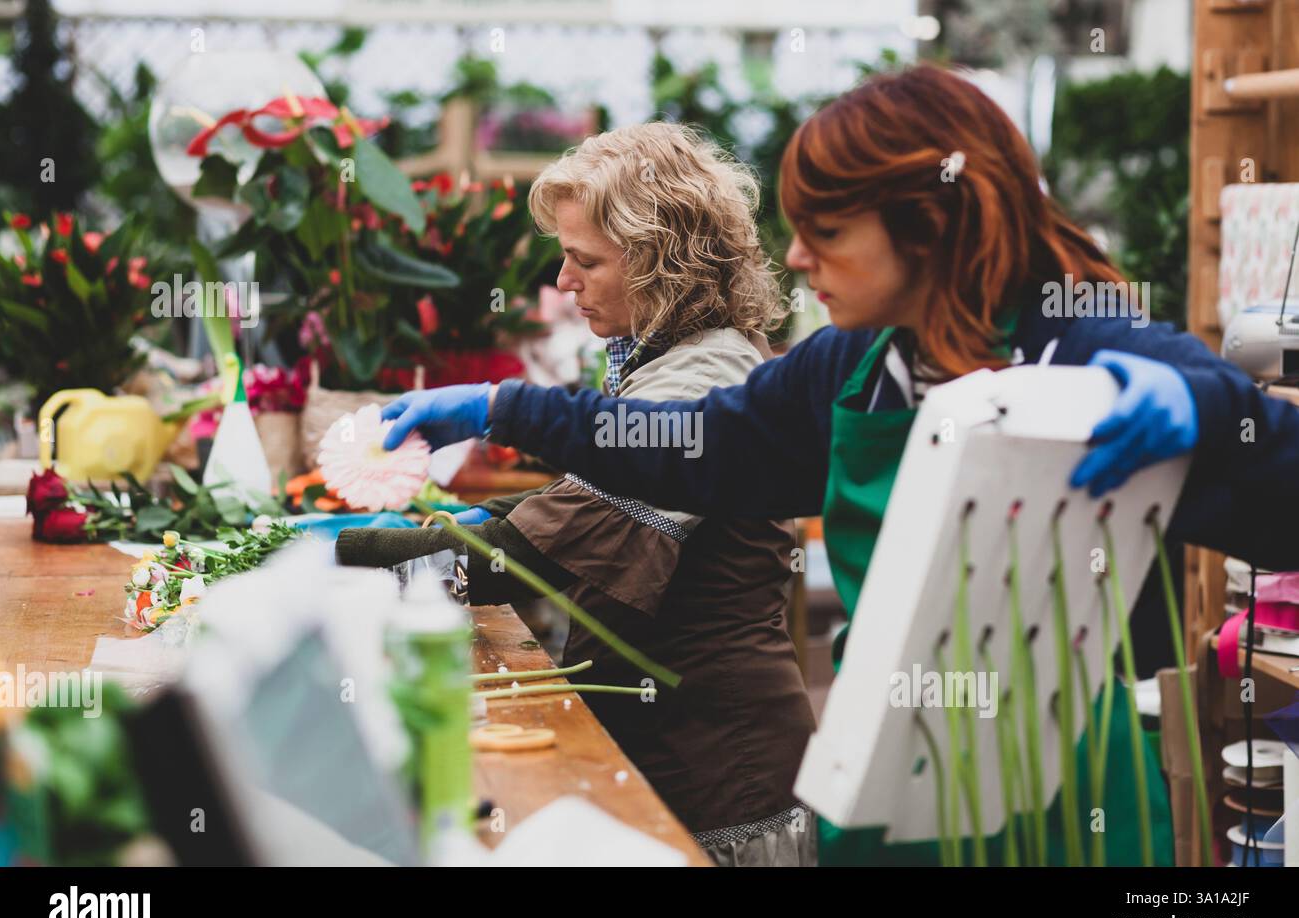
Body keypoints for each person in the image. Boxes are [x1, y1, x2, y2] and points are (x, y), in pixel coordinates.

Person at [376, 66, 1299, 864]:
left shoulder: (1080, 341)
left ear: (930, 226)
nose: (796, 256)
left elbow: (1278, 493)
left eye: (828, 231)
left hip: (1055, 799)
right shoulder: (852, 362)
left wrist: (1207, 416)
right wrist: (509, 409)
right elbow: (699, 447)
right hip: (884, 783)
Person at [339, 123, 817, 866]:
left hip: (719, 777)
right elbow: (560, 512)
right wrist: (443, 521)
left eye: (583, 261)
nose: (564, 283)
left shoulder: (703, 375)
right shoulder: (664, 360)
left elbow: (523, 559)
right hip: (682, 761)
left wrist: (328, 552)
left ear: (663, 263)